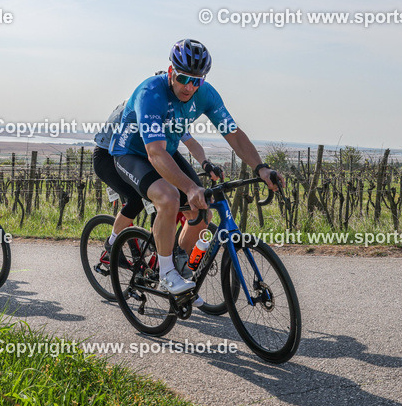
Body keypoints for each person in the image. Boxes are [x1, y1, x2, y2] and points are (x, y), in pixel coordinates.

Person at [108, 39, 281, 294]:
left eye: (196, 81)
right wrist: (189, 187)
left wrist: (262, 168)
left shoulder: (206, 94)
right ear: (170, 72)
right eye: (183, 78)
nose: (189, 87)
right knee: (169, 198)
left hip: (164, 150)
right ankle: (166, 273)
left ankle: (175, 263)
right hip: (132, 153)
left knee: (203, 213)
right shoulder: (150, 93)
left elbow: (233, 134)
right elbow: (154, 153)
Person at [92, 99, 223, 279]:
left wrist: (205, 163)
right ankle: (112, 243)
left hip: (142, 152)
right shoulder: (141, 107)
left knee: (170, 193)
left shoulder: (168, 111)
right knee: (136, 199)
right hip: (108, 157)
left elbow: (189, 142)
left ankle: (162, 249)